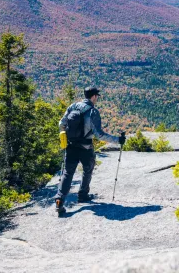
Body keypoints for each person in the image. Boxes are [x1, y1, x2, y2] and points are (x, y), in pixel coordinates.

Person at [54, 86, 126, 215]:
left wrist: (64, 136)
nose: (97, 98)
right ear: (93, 96)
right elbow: (99, 135)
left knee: (67, 173)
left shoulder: (73, 106)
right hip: (86, 148)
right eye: (97, 96)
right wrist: (117, 140)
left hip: (70, 146)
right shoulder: (92, 112)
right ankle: (83, 195)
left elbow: (61, 124)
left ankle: (59, 199)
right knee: (88, 169)